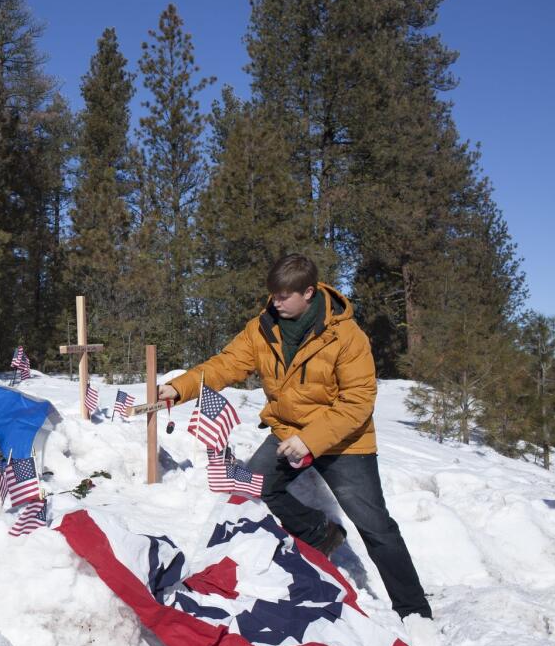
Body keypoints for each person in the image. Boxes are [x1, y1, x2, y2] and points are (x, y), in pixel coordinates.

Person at [158, 254, 431, 620]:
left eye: (285, 296)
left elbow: (358, 402)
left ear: (309, 291)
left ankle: (414, 611)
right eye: (273, 295)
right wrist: (179, 388)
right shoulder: (262, 327)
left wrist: (311, 440)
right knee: (253, 486)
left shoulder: (346, 336)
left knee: (376, 527)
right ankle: (321, 535)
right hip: (288, 430)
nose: (276, 302)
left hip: (345, 441)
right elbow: (226, 364)